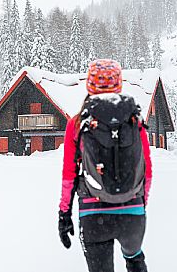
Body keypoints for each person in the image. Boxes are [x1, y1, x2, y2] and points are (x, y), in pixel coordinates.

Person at [58, 59, 152, 272]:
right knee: (135, 258)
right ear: (118, 84)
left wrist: (64, 214)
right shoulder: (134, 120)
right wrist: (140, 204)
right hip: (133, 213)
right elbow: (147, 170)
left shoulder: (77, 123)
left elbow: (69, 175)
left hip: (94, 215)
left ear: (89, 85)